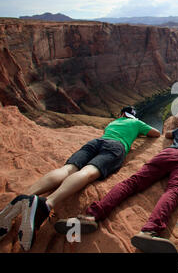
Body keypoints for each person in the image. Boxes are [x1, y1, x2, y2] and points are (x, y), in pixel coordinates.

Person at [0, 106, 160, 251]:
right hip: (115, 147)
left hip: (96, 142)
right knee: (89, 171)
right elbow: (156, 133)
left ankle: (26, 196)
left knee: (67, 169)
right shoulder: (136, 123)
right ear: (133, 116)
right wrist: (138, 131)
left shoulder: (113, 123)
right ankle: (46, 204)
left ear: (121, 114)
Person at [54, 115, 178, 253]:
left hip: (164, 154)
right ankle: (149, 230)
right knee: (174, 190)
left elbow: (167, 135)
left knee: (132, 183)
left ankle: (91, 215)